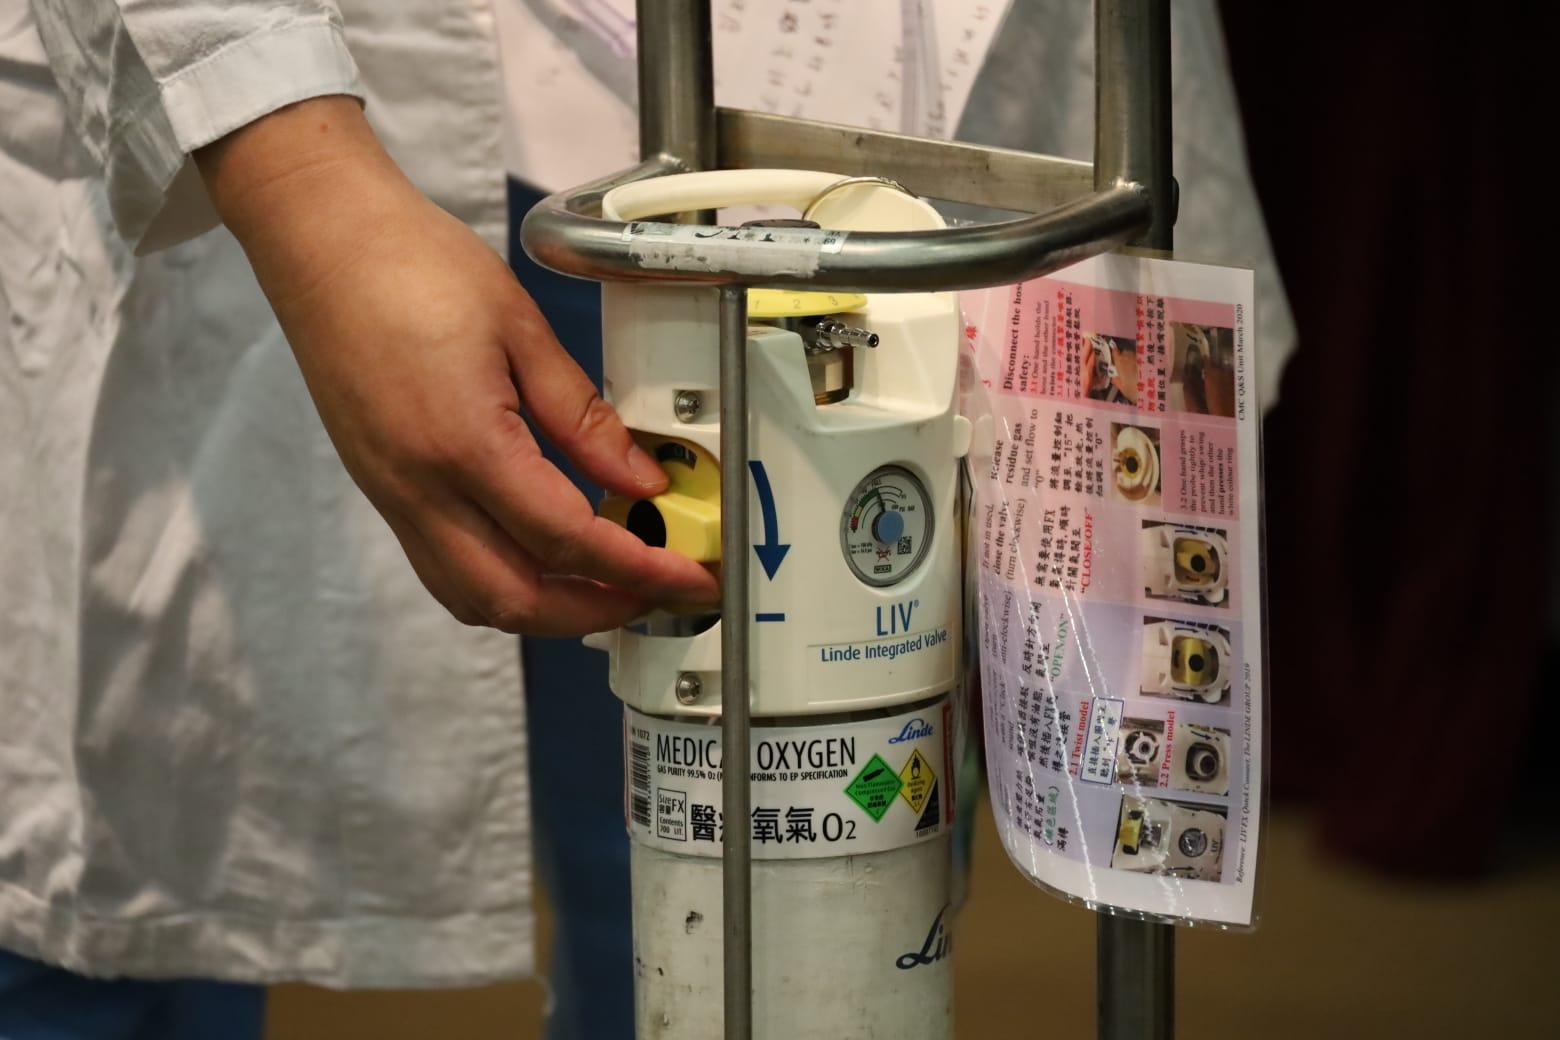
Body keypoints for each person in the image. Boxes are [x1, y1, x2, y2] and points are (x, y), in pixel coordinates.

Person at [1, 2, 1290, 1038]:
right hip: (439, 152)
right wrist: (307, 188)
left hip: (890, 148)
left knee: (804, 908)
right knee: (116, 882)